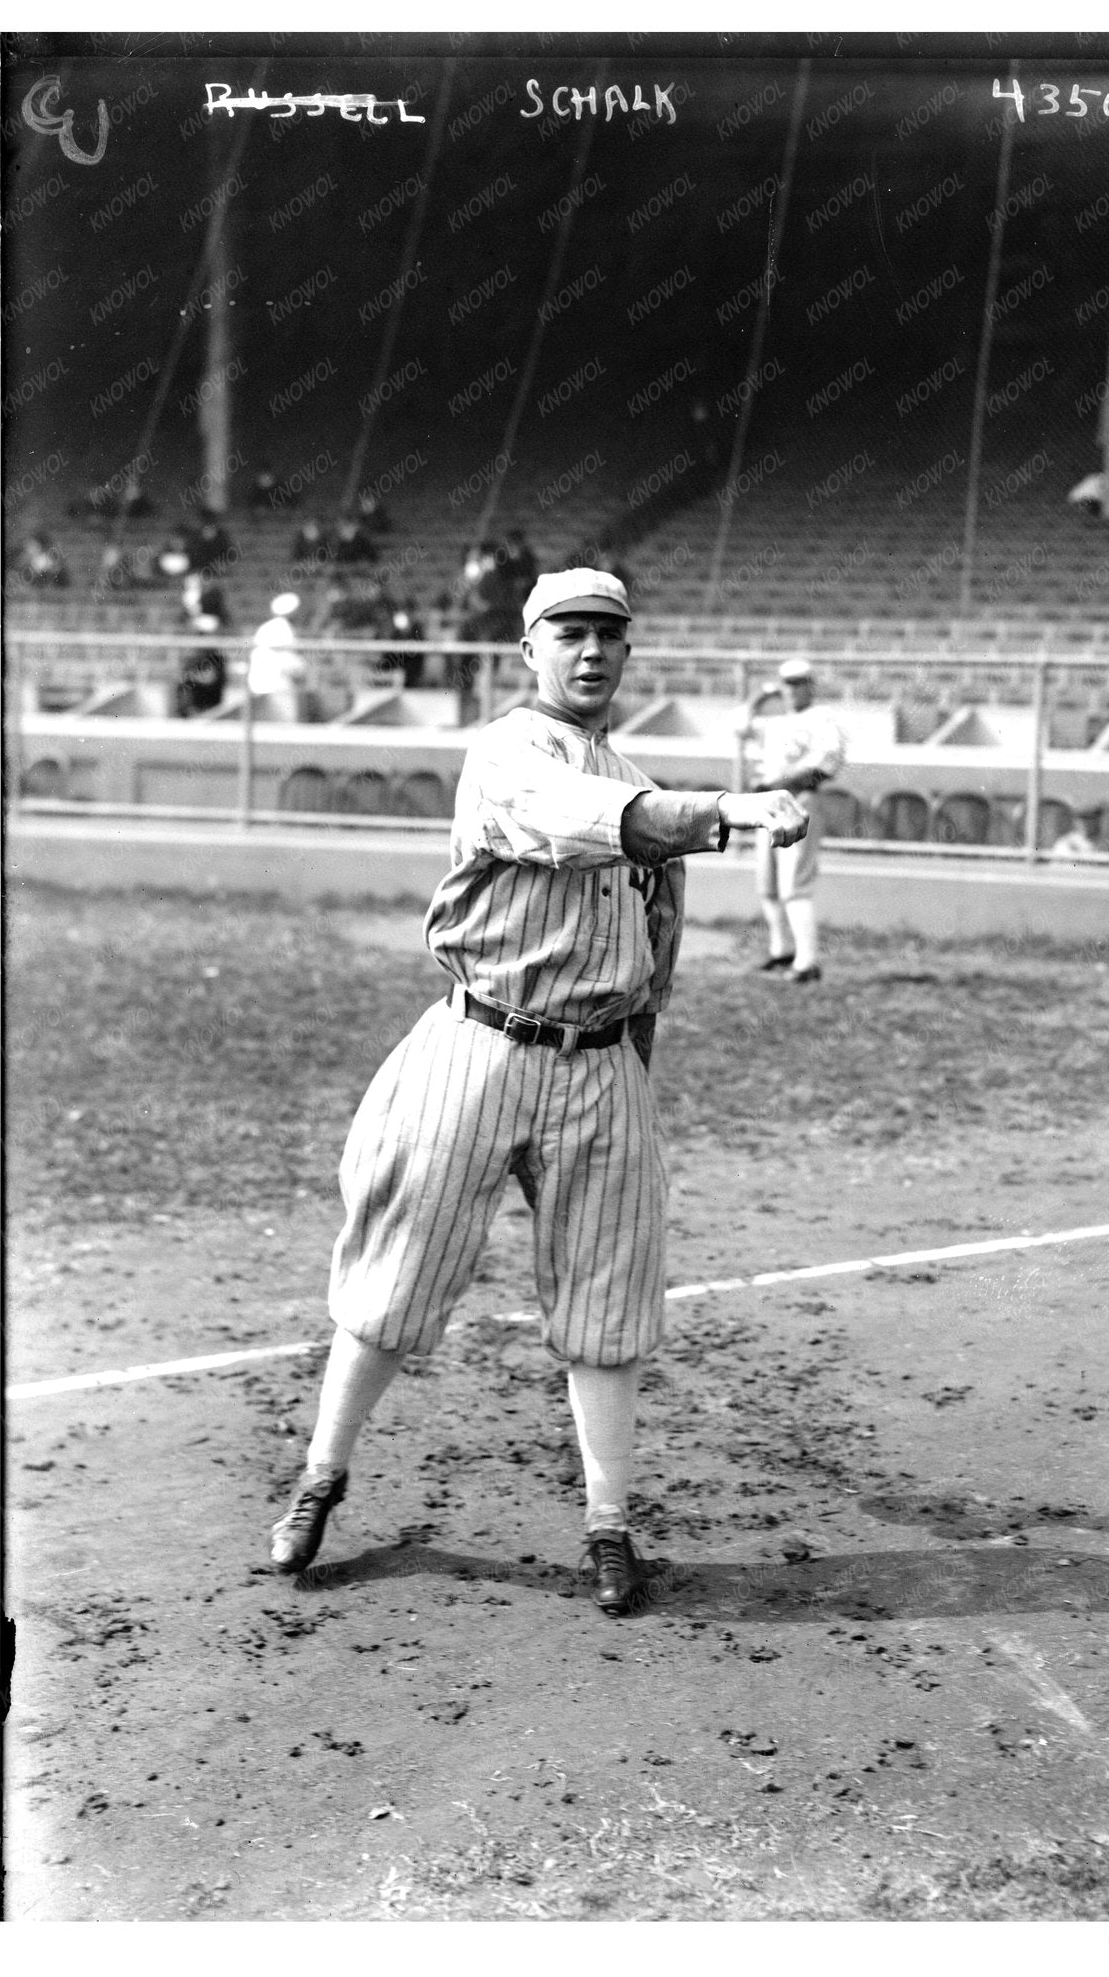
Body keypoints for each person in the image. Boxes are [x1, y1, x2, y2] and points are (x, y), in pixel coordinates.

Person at [268, 568, 809, 1613]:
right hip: (481, 1042)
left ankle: (609, 1523)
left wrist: (634, 1065)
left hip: (602, 1060)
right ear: (529, 649)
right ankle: (321, 1477)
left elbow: (657, 945)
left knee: (609, 1301)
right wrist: (729, 808)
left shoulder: (637, 775)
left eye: (611, 633)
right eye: (571, 633)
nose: (593, 650)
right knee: (395, 1277)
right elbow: (588, 821)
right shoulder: (508, 752)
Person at [737, 657, 847, 982]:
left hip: (800, 801)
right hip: (769, 805)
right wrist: (759, 697)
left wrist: (778, 784)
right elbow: (738, 726)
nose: (793, 690)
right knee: (767, 885)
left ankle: (807, 962)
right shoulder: (776, 721)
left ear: (811, 686)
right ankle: (781, 951)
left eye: (800, 683)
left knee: (794, 887)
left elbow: (826, 763)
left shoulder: (822, 717)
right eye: (788, 683)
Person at [247, 591, 309, 696]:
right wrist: (303, 665)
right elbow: (290, 663)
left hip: (257, 686)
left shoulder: (264, 627)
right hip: (277, 687)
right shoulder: (285, 630)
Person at [176, 617, 227, 716]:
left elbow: (211, 679)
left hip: (209, 710)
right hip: (191, 711)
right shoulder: (193, 657)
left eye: (201, 634)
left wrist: (192, 677)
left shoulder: (216, 658)